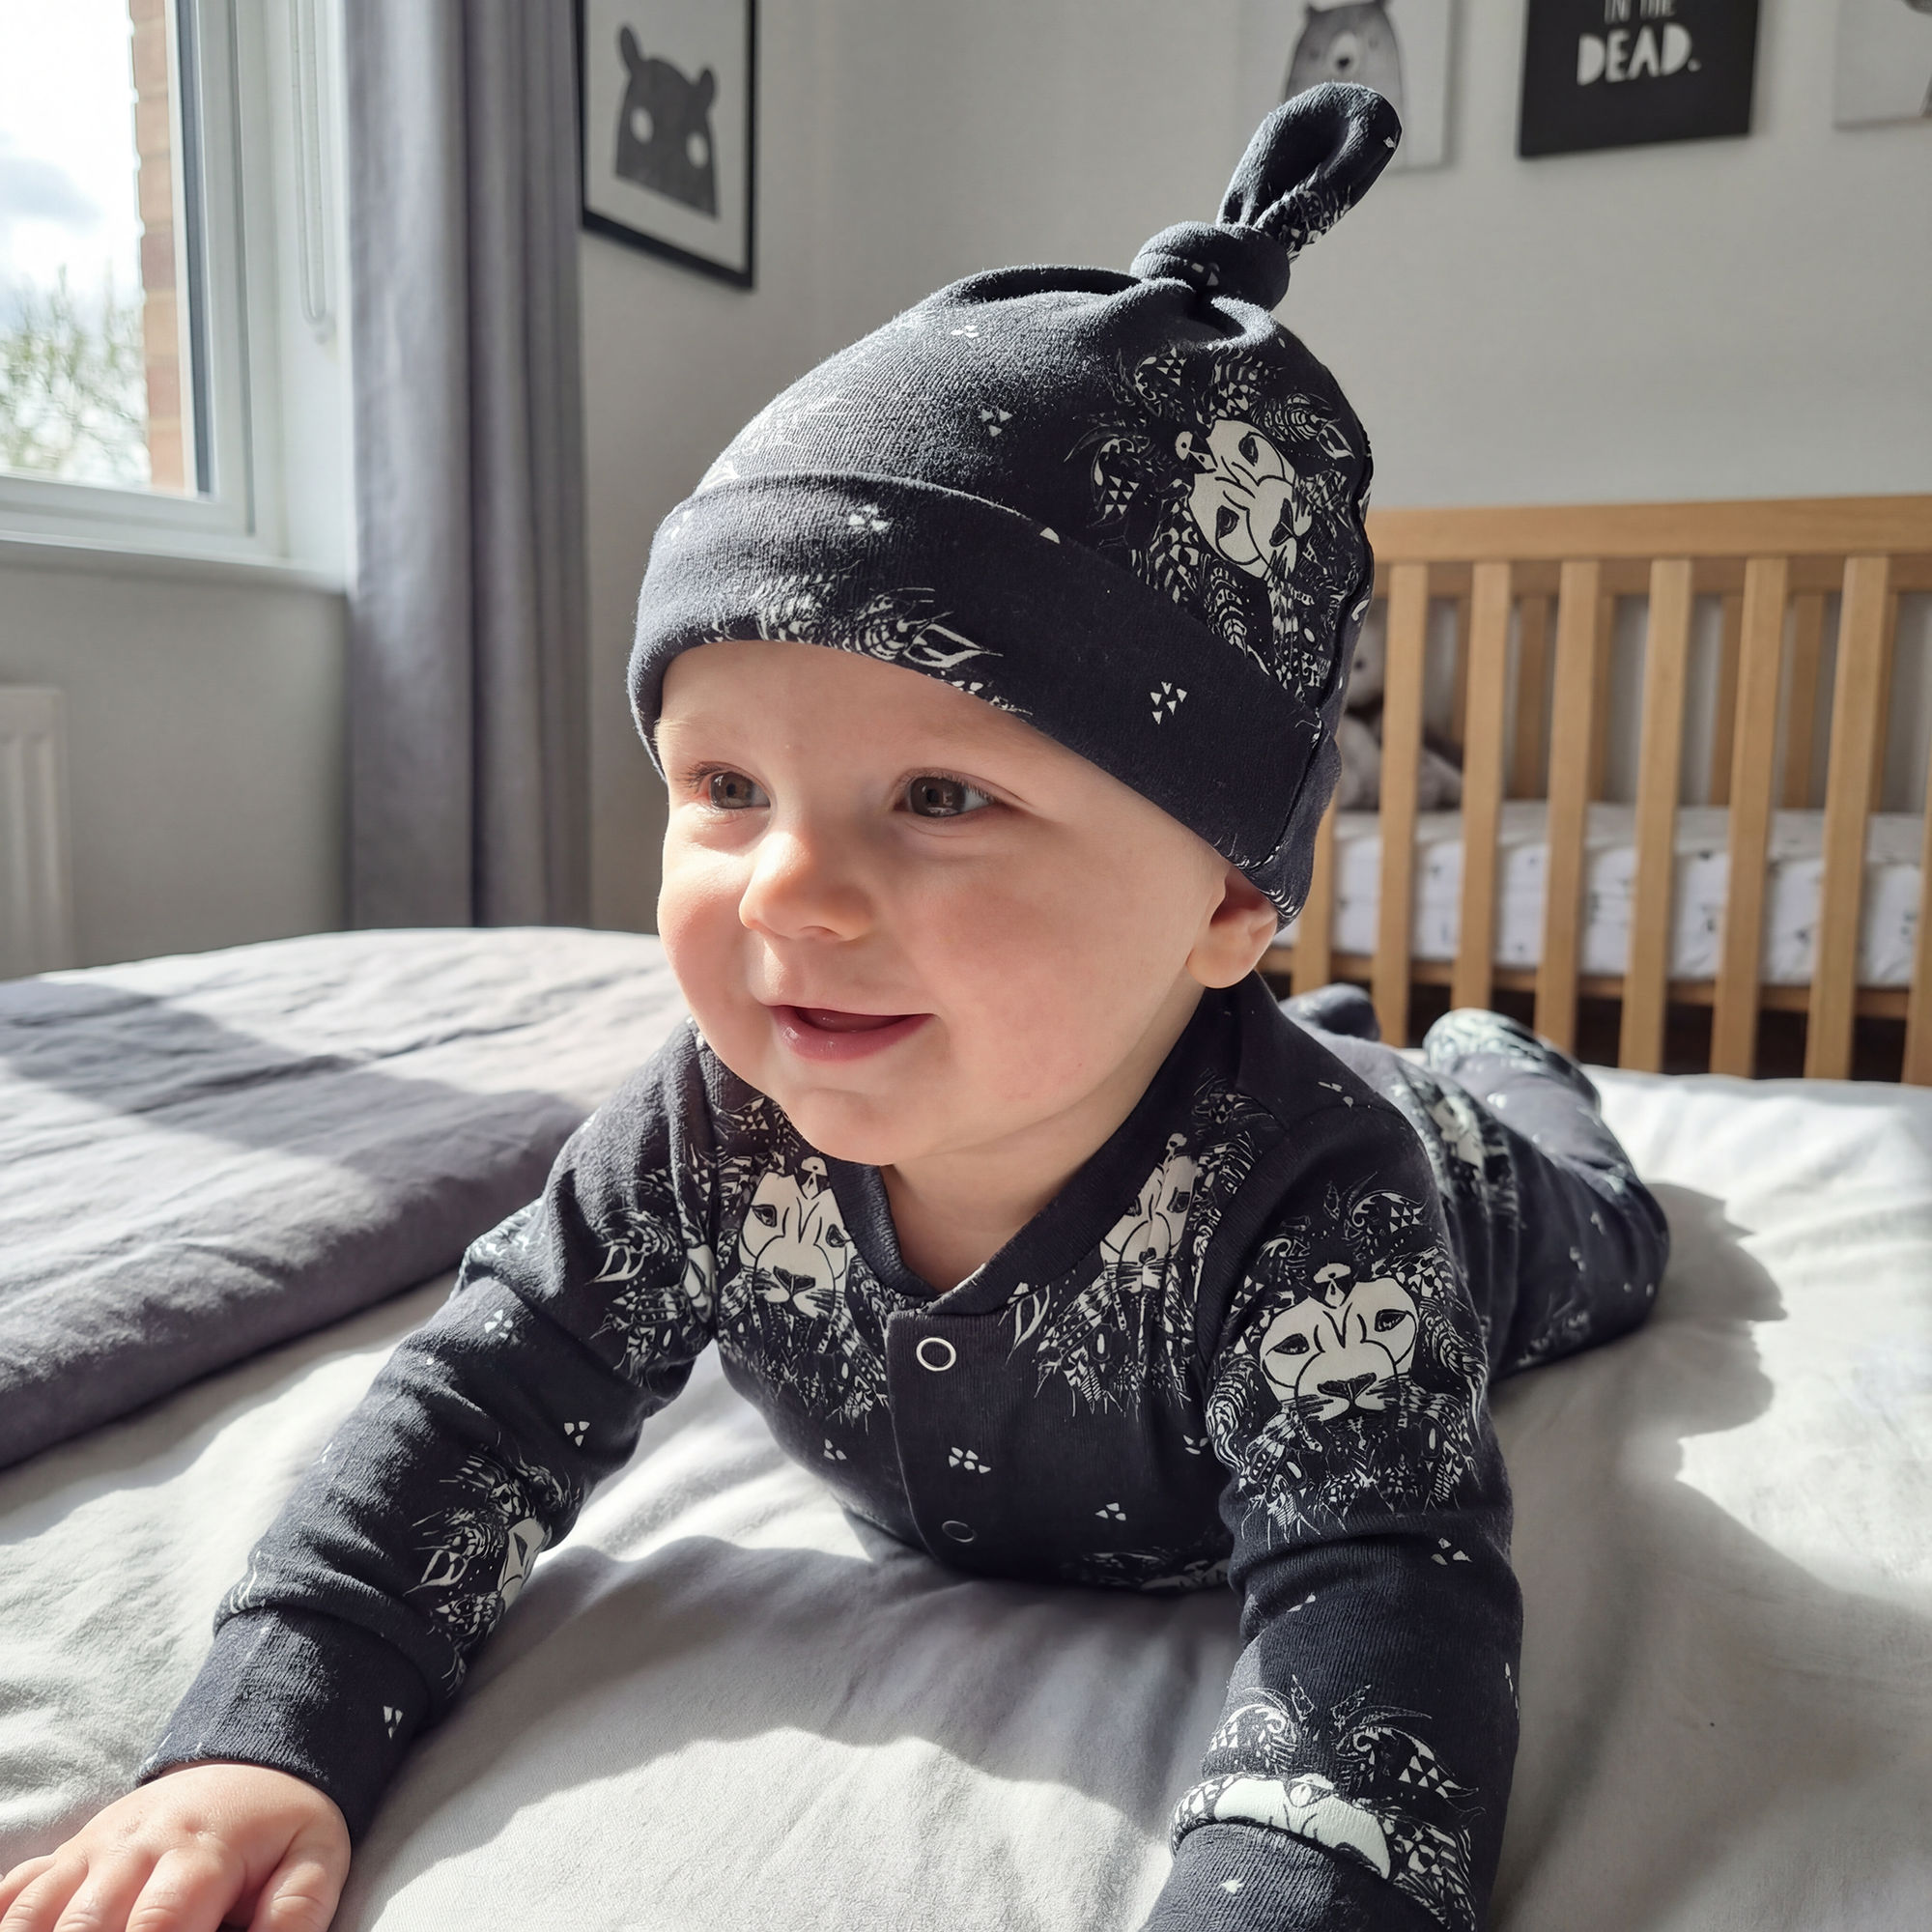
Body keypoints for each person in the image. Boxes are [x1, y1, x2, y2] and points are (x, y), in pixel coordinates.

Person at [0, 84, 1666, 1932]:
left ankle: (1505, 1073)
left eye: (940, 795)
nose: (787, 891)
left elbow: (1386, 1604)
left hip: (1467, 1187)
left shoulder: (1327, 1217)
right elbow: (478, 1410)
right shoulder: (705, 1137)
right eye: (725, 788)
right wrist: (269, 1733)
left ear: (1225, 895)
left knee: (1617, 1231)